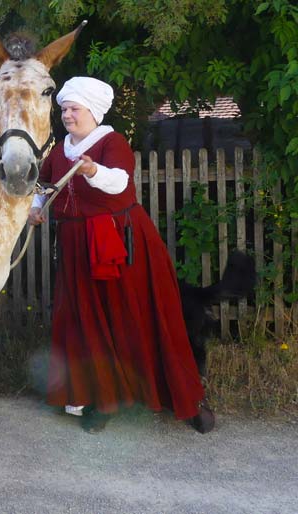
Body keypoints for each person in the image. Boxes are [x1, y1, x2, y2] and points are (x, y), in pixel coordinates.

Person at [29, 77, 214, 434]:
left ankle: (185, 395)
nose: (67, 114)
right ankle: (104, 397)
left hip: (121, 245)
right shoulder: (59, 149)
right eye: (64, 108)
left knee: (139, 316)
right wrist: (35, 209)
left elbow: (119, 181)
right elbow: (45, 186)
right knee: (89, 324)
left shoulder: (112, 143)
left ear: (92, 111)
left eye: (74, 108)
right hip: (76, 249)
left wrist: (92, 170)